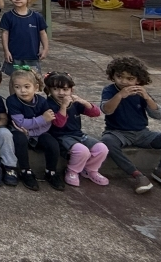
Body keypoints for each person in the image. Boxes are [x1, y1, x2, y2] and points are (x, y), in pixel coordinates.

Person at [99, 56, 161, 194]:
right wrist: (120, 95)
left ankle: (159, 172)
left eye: (130, 78)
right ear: (113, 75)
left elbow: (157, 115)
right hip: (117, 132)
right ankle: (137, 175)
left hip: (142, 133)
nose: (123, 81)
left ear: (138, 80)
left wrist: (147, 97)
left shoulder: (140, 92)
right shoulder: (109, 90)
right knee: (107, 142)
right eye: (119, 76)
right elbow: (107, 110)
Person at [44, 71, 109, 187]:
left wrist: (83, 102)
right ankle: (72, 171)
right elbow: (59, 123)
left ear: (71, 90)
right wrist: (63, 106)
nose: (61, 93)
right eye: (55, 89)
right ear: (49, 90)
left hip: (78, 134)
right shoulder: (48, 104)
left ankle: (90, 170)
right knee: (82, 151)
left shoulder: (74, 103)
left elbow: (95, 113)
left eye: (65, 89)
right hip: (60, 136)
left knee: (102, 148)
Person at [7, 68, 64, 191]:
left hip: (37, 133)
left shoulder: (42, 101)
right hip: (19, 132)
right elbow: (20, 123)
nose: (22, 91)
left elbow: (48, 121)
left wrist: (32, 132)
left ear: (36, 87)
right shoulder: (12, 101)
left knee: (52, 143)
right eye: (17, 87)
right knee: (19, 139)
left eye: (27, 86)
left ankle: (51, 172)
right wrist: (42, 119)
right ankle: (25, 171)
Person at [0, 0, 48, 76]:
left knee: (32, 79)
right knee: (15, 79)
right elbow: (5, 34)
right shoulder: (7, 16)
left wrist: (45, 49)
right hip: (14, 56)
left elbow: (42, 33)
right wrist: (6, 51)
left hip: (32, 56)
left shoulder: (37, 17)